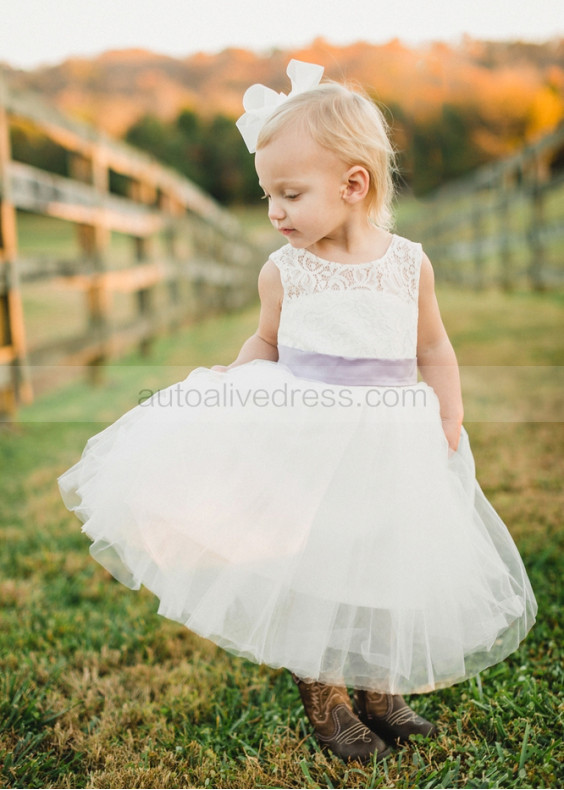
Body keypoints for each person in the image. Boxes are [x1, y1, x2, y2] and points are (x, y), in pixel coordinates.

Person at [58, 60, 537, 764]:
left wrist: (448, 413)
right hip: (309, 442)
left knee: (382, 561)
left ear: (352, 186)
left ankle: (380, 690)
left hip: (391, 444)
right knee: (320, 563)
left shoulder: (409, 265)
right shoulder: (285, 270)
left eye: (290, 193)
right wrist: (236, 387)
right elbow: (267, 341)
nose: (275, 212)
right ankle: (327, 696)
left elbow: (433, 343)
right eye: (267, 196)